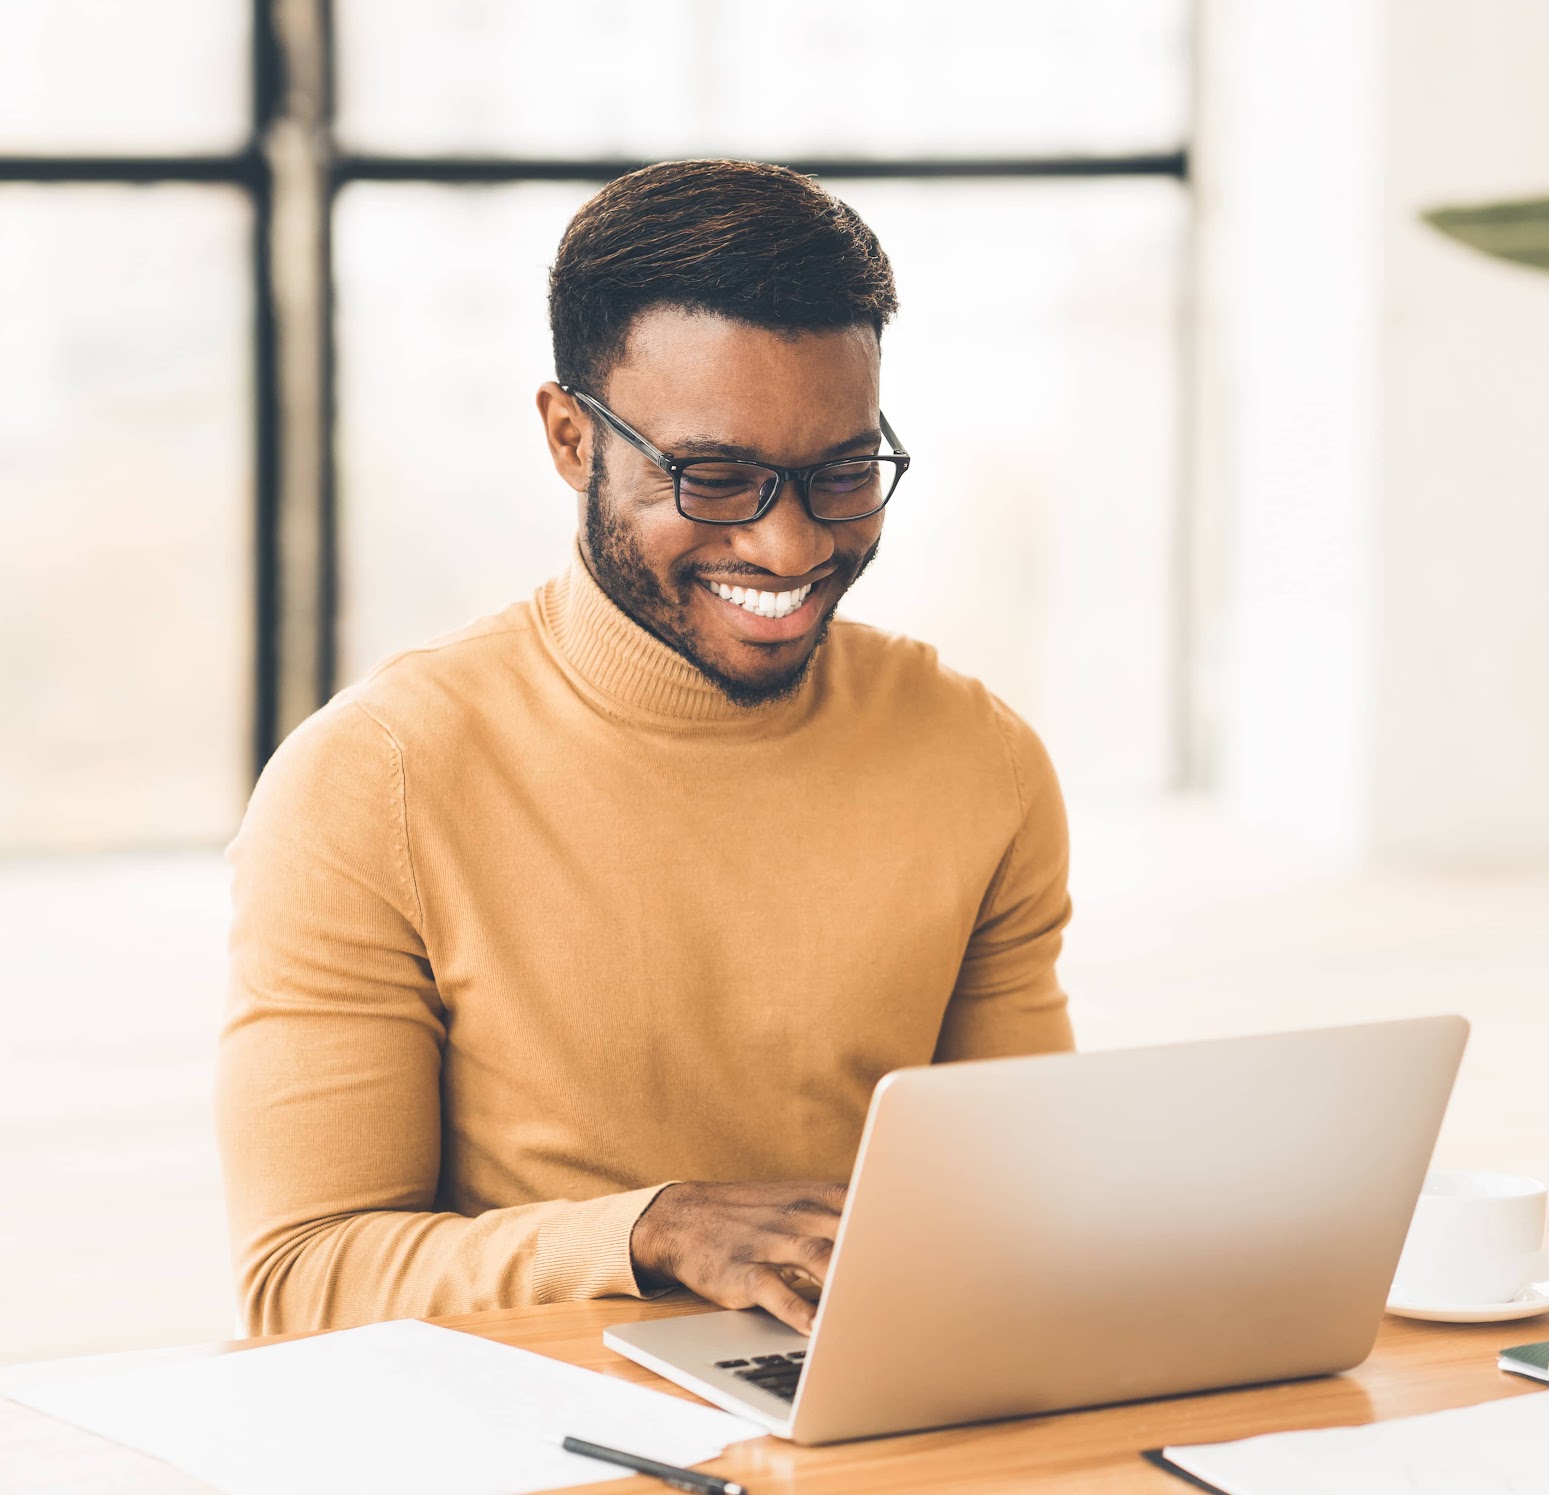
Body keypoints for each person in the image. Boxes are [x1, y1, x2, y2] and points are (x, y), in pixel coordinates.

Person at [217, 159, 1073, 1338]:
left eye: (840, 473)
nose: (787, 546)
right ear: (572, 438)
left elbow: (1028, 1195)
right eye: (716, 478)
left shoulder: (981, 759)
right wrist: (650, 1228)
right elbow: (303, 1278)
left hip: (876, 1397)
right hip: (526, 1421)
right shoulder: (373, 779)